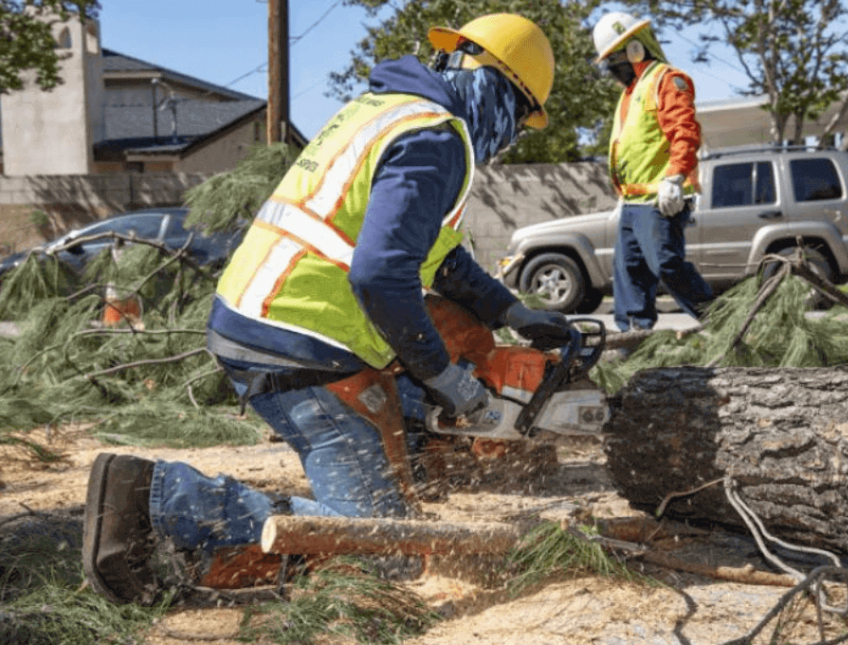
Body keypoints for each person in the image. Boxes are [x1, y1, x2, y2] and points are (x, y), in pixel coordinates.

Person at [82, 13, 572, 605]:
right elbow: (381, 274)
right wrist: (445, 377)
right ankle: (159, 493)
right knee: (387, 549)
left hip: (261, 315)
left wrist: (512, 313)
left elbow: (436, 256)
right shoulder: (436, 137)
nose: (513, 134)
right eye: (519, 118)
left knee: (404, 415)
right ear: (499, 91)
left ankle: (215, 551)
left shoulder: (385, 111)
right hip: (300, 338)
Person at [592, 12, 713, 332]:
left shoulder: (666, 79)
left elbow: (685, 132)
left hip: (660, 198)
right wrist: (623, 196)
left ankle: (723, 321)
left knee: (666, 264)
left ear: (635, 50)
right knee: (629, 273)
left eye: (613, 61)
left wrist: (674, 176)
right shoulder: (630, 93)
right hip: (633, 202)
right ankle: (634, 338)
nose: (611, 71)